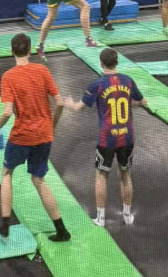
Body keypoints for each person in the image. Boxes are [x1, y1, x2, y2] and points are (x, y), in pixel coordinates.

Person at [0, 32, 71, 243]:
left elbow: (8, 112)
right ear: (31, 50)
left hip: (22, 135)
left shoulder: (8, 77)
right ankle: (61, 230)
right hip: (44, 134)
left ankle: (5, 224)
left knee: (7, 173)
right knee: (38, 180)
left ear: (11, 51)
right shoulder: (42, 70)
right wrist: (52, 125)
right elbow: (60, 102)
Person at [63, 47, 147, 226]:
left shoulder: (98, 85)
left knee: (101, 175)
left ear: (101, 64)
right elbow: (142, 102)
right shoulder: (128, 81)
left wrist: (69, 104)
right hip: (127, 137)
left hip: (106, 138)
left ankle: (100, 218)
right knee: (125, 174)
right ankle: (127, 216)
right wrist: (131, 103)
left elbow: (79, 107)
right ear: (117, 62)